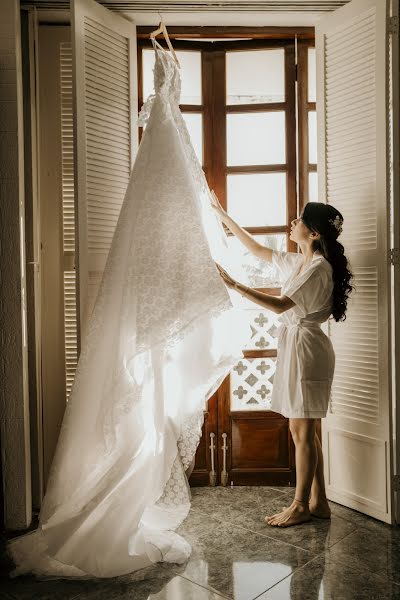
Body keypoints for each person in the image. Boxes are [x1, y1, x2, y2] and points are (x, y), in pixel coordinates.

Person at [211, 197, 353, 527]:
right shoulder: (300, 262)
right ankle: (320, 501)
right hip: (297, 345)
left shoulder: (318, 268)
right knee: (302, 428)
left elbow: (280, 306)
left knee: (302, 429)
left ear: (314, 233)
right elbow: (258, 250)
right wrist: (223, 216)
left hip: (307, 349)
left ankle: (301, 504)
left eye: (299, 220)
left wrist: (234, 284)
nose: (293, 223)